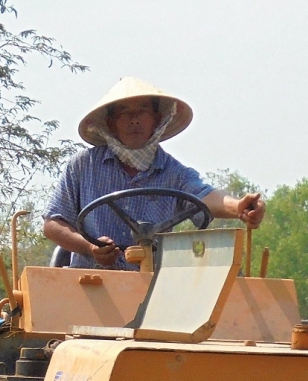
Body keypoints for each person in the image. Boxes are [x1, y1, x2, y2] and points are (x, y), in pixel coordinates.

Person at [43, 77, 265, 270]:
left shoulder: (173, 172)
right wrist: (90, 247)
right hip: (90, 285)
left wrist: (238, 207)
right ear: (111, 123)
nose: (134, 119)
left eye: (143, 111)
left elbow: (205, 196)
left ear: (158, 119)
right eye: (124, 113)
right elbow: (53, 224)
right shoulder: (83, 166)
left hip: (158, 290)